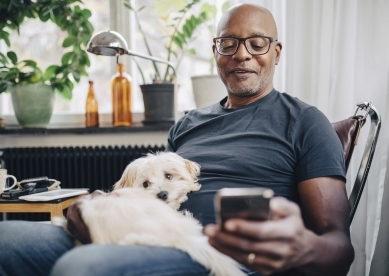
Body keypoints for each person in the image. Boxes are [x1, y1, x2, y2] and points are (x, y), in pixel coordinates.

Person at [0, 3, 354, 276]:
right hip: (142, 233)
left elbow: (339, 247)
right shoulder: (188, 123)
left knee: (84, 267)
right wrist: (101, 203)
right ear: (216, 52)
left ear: (276, 52)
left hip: (210, 254)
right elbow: (153, 191)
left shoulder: (306, 121)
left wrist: (301, 247)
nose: (242, 54)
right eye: (228, 43)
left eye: (257, 44)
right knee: (7, 241)